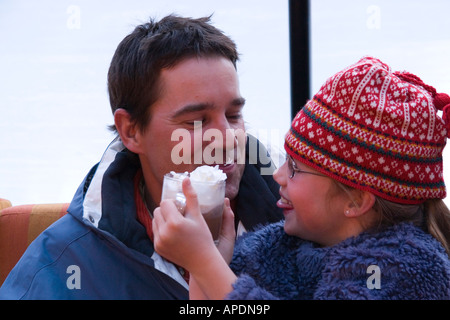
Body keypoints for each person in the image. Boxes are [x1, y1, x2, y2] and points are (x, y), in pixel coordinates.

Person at [0, 15, 283, 299]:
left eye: (234, 115)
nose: (227, 137)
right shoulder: (62, 262)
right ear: (131, 131)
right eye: (197, 120)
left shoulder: (304, 228)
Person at [152, 56, 450, 299]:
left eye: (295, 168)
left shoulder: (406, 269)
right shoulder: (275, 247)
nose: (278, 175)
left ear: (356, 200)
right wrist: (212, 265)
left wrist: (205, 263)